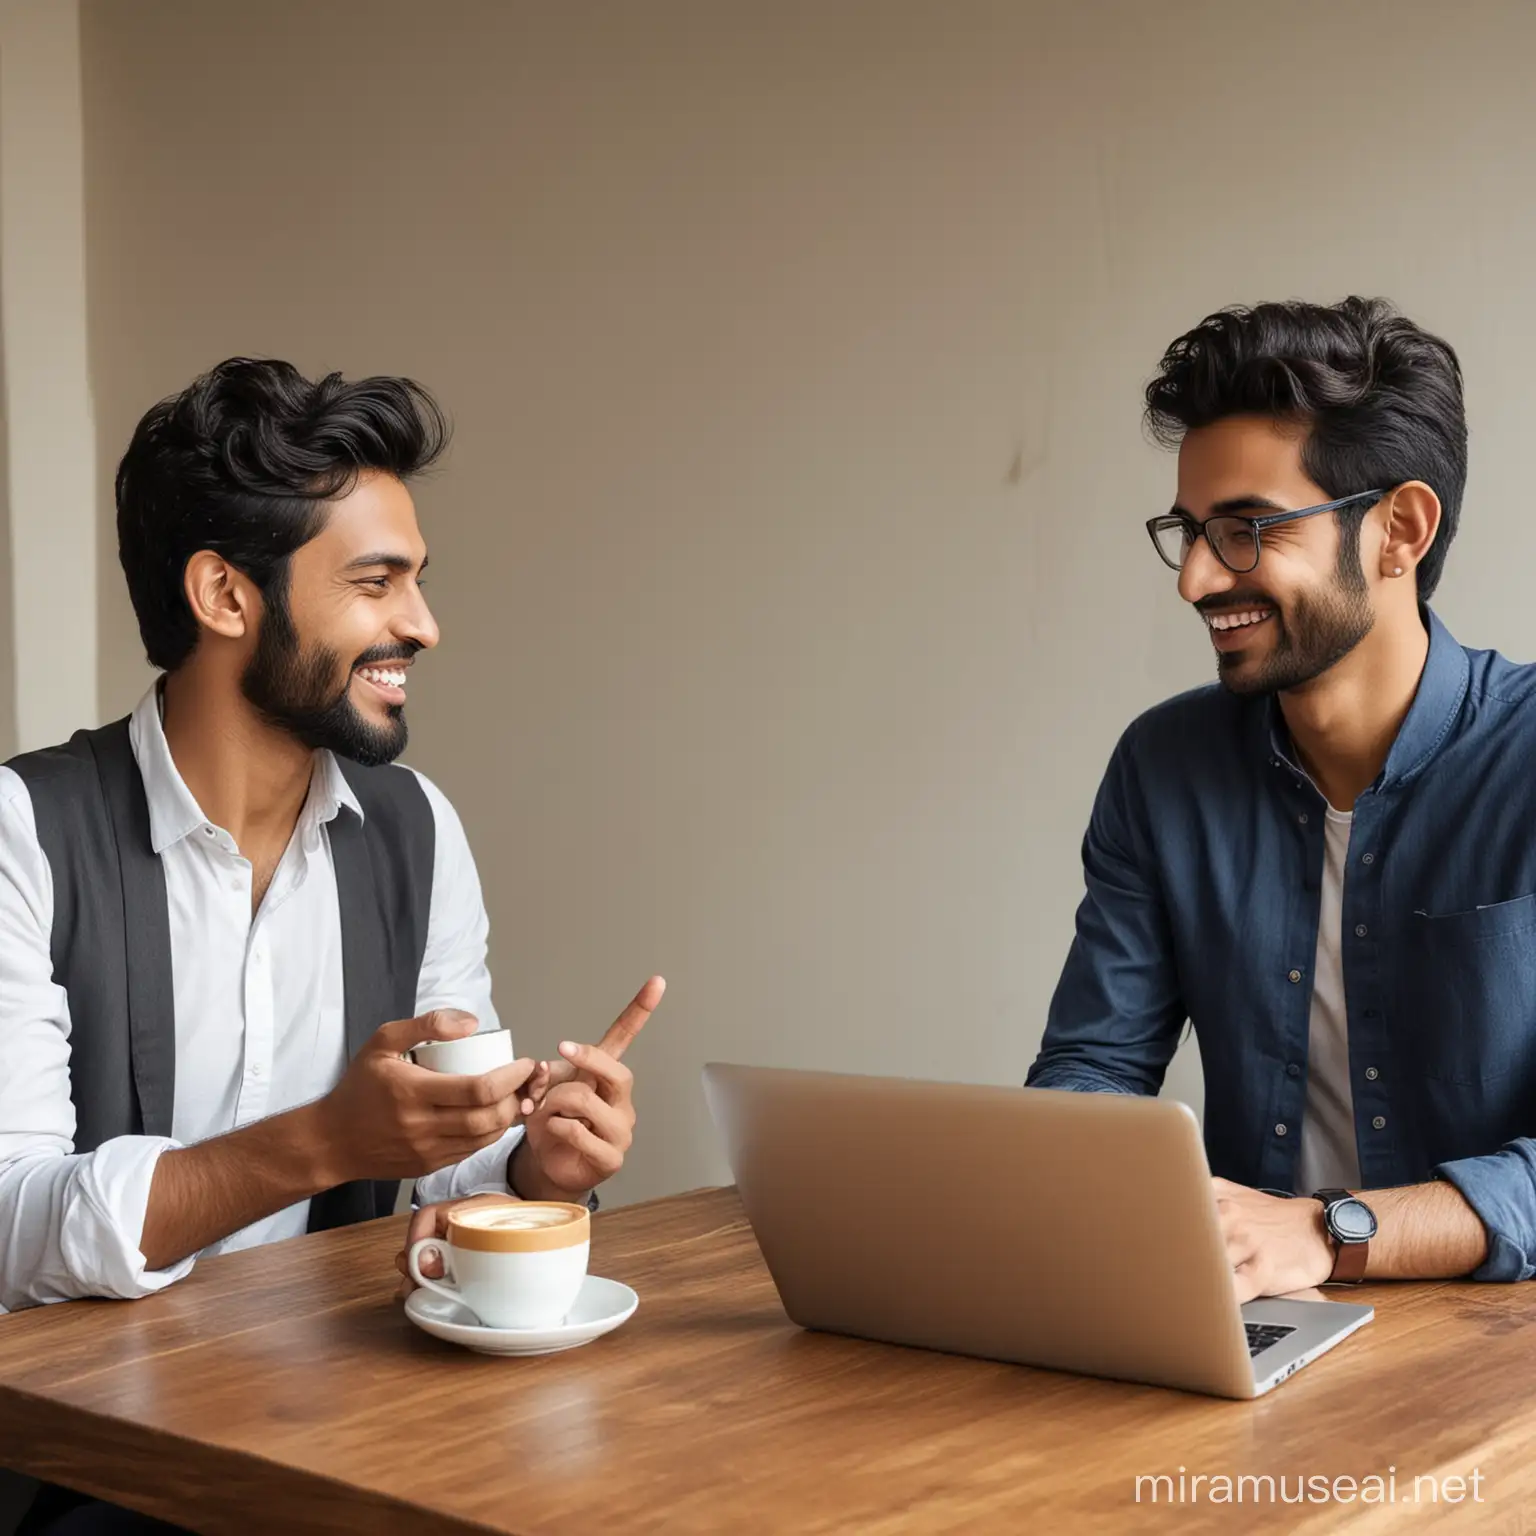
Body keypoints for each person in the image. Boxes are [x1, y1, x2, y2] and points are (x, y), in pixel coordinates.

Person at [0, 359, 663, 1534]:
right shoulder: (27, 834)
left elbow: (436, 1176)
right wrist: (320, 1142)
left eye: (416, 581)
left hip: (361, 1447)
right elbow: (13, 1229)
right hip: (92, 1479)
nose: (422, 623)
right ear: (225, 595)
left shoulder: (414, 828)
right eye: (375, 583)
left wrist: (529, 1171)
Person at [1028, 296, 1536, 1300]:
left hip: (1499, 1355)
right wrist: (1074, 1184)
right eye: (1191, 532)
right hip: (1254, 1326)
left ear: (1400, 529)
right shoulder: (1163, 767)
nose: (1198, 580)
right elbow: (1093, 1068)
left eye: (1249, 529)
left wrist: (1331, 1229)